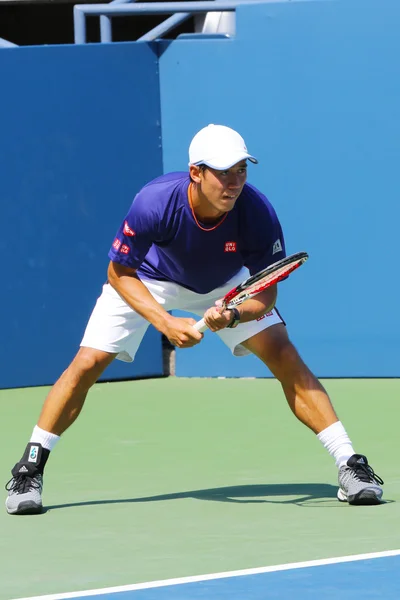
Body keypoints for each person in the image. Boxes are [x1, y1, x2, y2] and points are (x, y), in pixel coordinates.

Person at [5, 124, 384, 515]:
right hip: (150, 281)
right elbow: (118, 273)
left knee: (282, 352)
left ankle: (350, 464)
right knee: (88, 362)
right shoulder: (155, 202)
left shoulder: (256, 211)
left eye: (241, 170)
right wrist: (165, 323)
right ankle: (29, 468)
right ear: (196, 172)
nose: (234, 182)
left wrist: (233, 314)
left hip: (226, 284)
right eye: (223, 172)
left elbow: (266, 290)